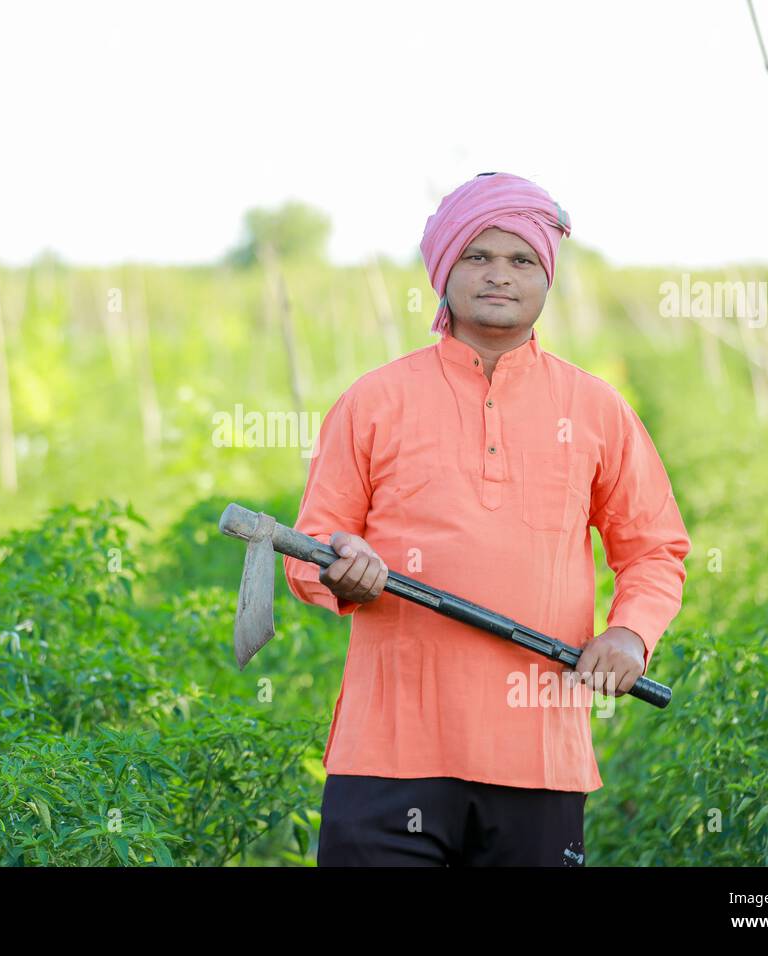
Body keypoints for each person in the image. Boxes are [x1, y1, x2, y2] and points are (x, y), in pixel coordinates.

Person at [282, 172, 691, 866]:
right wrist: (339, 572)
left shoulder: (595, 409)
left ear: (546, 277)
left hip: (538, 757)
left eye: (521, 259)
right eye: (477, 256)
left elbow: (653, 549)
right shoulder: (375, 400)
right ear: (444, 270)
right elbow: (307, 547)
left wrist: (629, 634)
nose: (498, 275)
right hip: (388, 755)